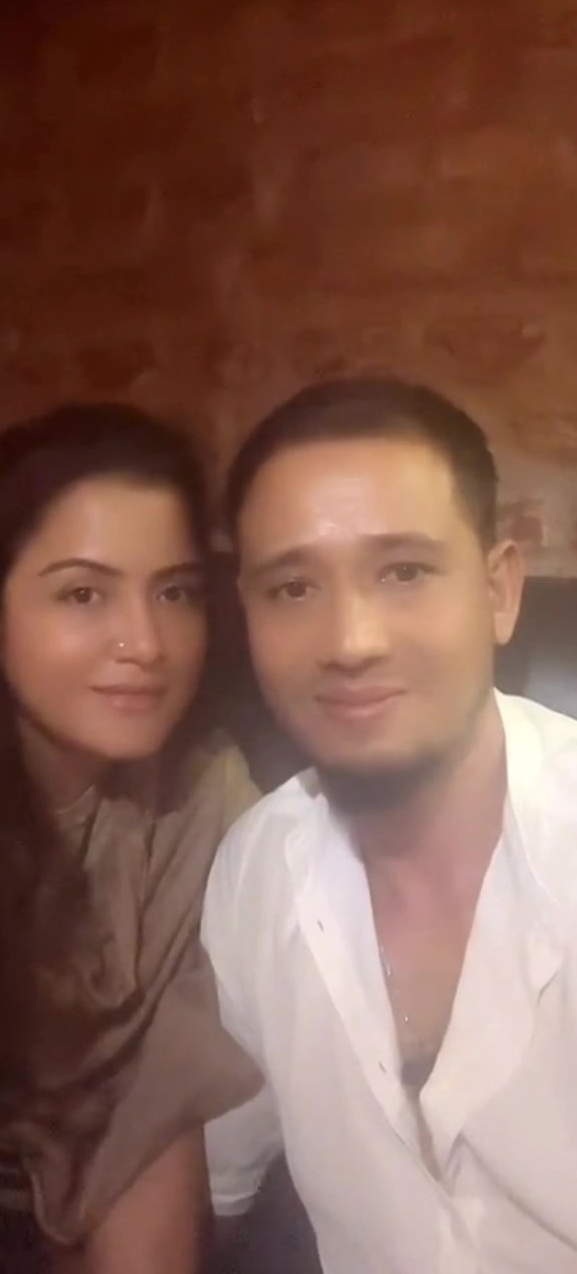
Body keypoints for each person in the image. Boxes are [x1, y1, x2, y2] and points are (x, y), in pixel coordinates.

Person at [0, 403, 260, 1273]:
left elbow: (161, 1101)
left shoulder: (205, 799)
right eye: (83, 593)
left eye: (176, 592)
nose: (145, 643)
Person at [202, 376, 577, 1272]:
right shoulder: (256, 871)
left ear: (499, 591)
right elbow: (218, 1172)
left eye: (404, 572)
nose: (351, 641)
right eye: (293, 588)